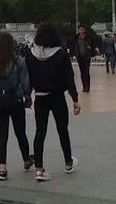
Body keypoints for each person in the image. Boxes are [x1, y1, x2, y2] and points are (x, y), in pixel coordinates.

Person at [26, 23, 80, 181]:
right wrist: (75, 98)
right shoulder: (61, 53)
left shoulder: (31, 54)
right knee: (63, 130)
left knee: (40, 132)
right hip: (57, 96)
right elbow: (68, 78)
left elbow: (28, 78)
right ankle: (68, 162)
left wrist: (28, 95)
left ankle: (39, 169)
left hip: (40, 97)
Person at [0, 32, 33, 181]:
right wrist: (27, 95)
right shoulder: (19, 61)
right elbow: (25, 82)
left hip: (0, 101)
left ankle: (2, 168)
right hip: (15, 100)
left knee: (2, 135)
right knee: (20, 132)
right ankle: (26, 160)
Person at [70, 25, 98, 93]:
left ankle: (87, 87)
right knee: (82, 72)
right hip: (79, 57)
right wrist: (72, 54)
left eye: (82, 29)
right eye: (80, 29)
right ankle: (84, 86)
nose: (81, 31)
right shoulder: (75, 38)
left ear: (84, 30)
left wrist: (91, 49)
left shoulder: (88, 38)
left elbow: (93, 46)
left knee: (86, 71)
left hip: (87, 56)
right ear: (78, 30)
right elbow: (72, 47)